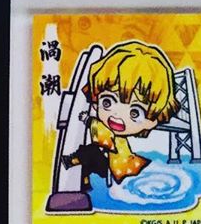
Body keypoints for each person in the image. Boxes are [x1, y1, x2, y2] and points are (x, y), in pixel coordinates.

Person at [63, 40, 178, 192]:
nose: (117, 115)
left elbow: (103, 133)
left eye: (135, 112)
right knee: (90, 153)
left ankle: (72, 162)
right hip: (107, 162)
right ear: (96, 101)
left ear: (151, 121)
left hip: (113, 166)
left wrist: (88, 120)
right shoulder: (113, 136)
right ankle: (83, 179)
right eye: (107, 102)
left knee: (90, 153)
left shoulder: (116, 139)